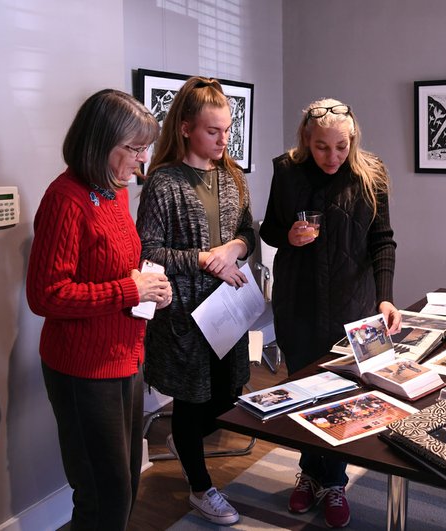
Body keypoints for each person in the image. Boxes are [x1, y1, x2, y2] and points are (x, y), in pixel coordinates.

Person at [26, 89, 172, 530]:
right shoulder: (65, 199)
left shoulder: (111, 192)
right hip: (83, 369)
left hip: (124, 359)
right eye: (133, 149)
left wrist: (150, 288)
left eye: (145, 148)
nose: (142, 160)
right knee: (101, 496)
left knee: (124, 484)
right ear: (97, 142)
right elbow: (46, 295)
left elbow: (119, 269)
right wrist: (130, 289)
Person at [260, 98, 402, 528]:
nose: (333, 156)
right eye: (322, 147)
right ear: (307, 138)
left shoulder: (370, 173)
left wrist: (385, 296)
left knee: (344, 397)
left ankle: (334, 480)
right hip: (298, 302)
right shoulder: (286, 171)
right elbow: (267, 229)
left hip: (351, 305)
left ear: (353, 139)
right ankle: (308, 475)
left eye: (341, 146)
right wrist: (289, 235)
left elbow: (383, 241)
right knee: (304, 391)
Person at [136, 76, 255, 526]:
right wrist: (205, 258)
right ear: (185, 128)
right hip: (185, 315)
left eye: (227, 130)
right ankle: (201, 488)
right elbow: (148, 252)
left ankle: (183, 442)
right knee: (191, 400)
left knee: (226, 396)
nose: (224, 140)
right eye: (213, 131)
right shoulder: (163, 182)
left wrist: (235, 250)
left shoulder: (231, 176)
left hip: (228, 309)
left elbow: (250, 234)